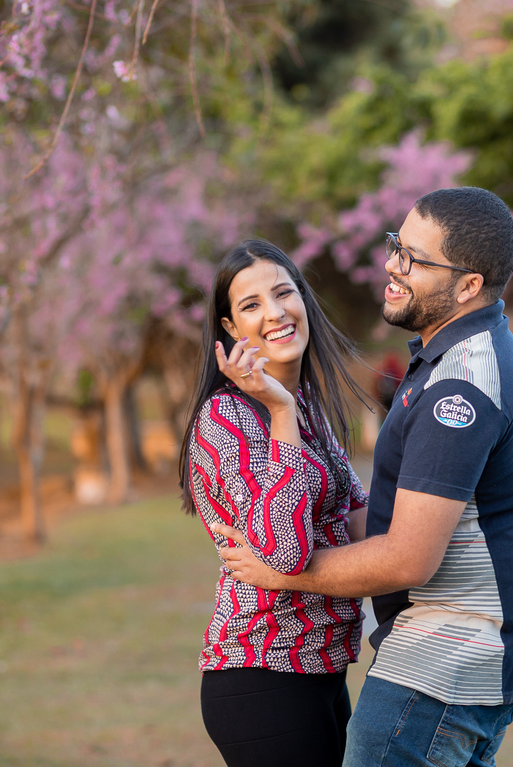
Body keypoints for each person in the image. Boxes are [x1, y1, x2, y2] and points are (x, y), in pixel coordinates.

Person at [213, 187, 513, 767]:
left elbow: (407, 559)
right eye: (398, 245)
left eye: (416, 260)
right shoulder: (460, 354)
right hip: (468, 647)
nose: (393, 267)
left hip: (447, 654)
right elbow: (386, 512)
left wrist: (282, 575)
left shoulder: (459, 387)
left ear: (469, 285)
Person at [178, 239, 373, 767]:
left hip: (323, 669)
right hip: (262, 674)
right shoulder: (226, 420)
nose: (275, 313)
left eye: (284, 293)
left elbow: (362, 520)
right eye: (251, 305)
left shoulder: (307, 406)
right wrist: (280, 413)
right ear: (229, 328)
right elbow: (283, 554)